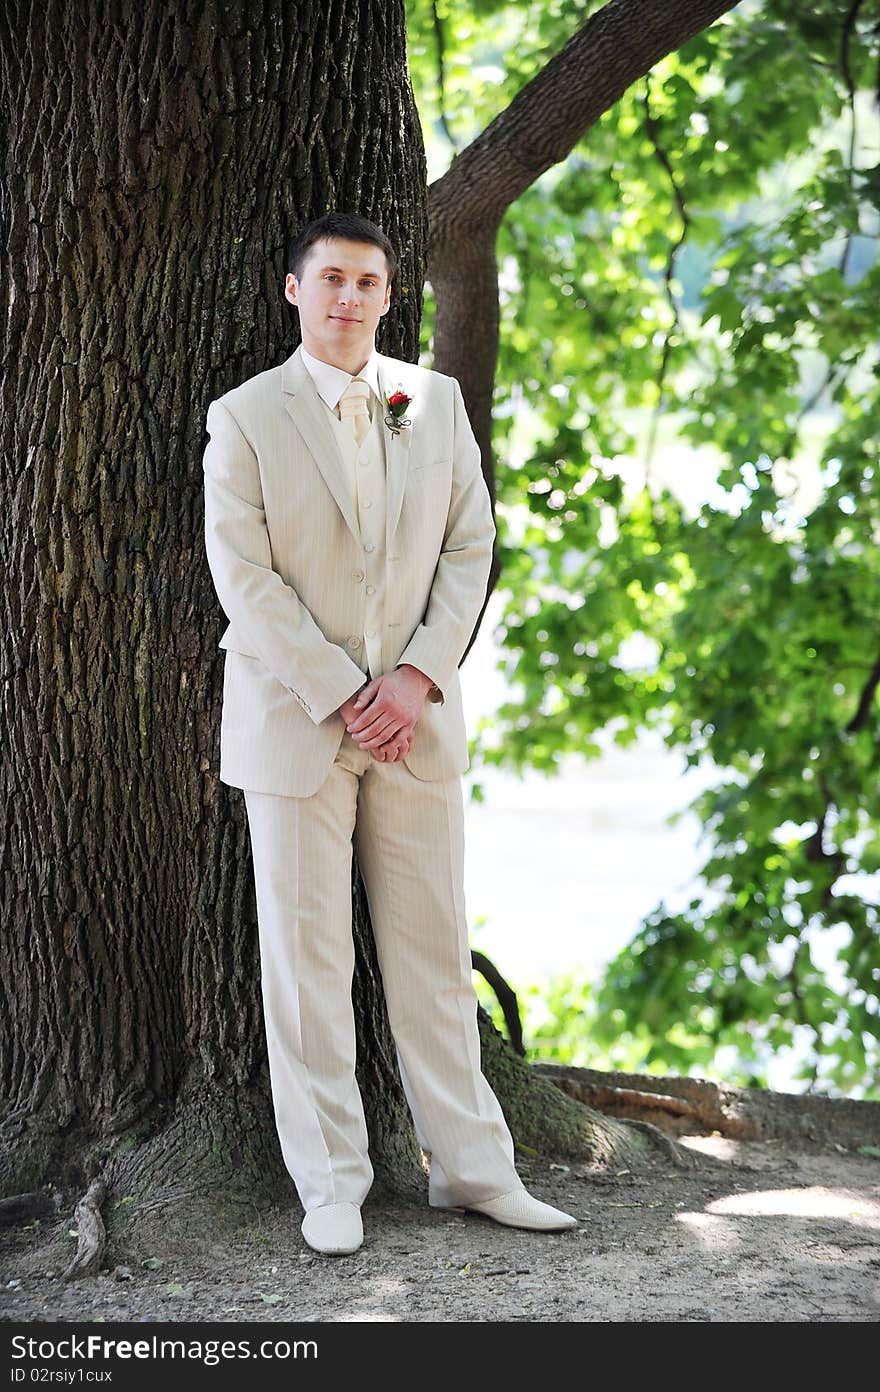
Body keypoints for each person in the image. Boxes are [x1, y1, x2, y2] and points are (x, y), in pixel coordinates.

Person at [201, 211, 578, 1255]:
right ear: (294, 290)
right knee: (306, 962)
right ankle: (330, 1185)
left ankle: (473, 1170)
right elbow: (245, 577)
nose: (349, 299)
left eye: (367, 282)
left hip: (415, 721)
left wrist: (414, 677)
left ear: (385, 292)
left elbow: (471, 544)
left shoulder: (427, 399)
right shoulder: (243, 417)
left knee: (429, 949)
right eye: (330, 280)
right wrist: (341, 688)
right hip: (294, 723)